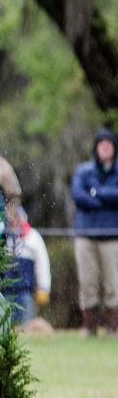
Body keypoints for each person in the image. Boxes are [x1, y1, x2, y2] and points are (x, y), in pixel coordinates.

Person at [71, 127, 118, 336]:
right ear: (96, 148)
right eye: (101, 144)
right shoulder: (83, 171)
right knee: (88, 282)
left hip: (112, 236)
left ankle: (112, 327)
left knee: (113, 284)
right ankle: (89, 327)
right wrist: (106, 200)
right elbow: (78, 196)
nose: (105, 148)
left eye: (109, 145)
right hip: (86, 235)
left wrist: (97, 192)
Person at [4, 207, 51, 326]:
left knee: (27, 327)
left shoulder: (33, 237)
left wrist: (43, 288)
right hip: (6, 292)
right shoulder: (3, 237)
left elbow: (42, 264)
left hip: (26, 292)